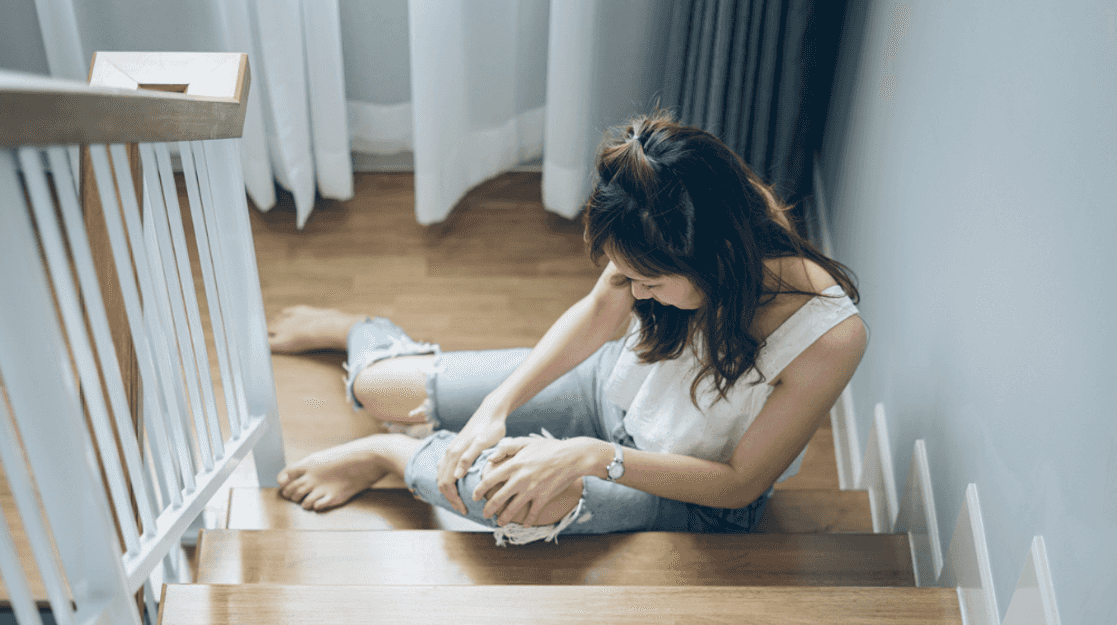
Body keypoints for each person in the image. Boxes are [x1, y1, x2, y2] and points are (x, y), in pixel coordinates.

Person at [269, 112, 866, 545]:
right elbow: (596, 316)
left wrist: (591, 457)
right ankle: (361, 330)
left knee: (513, 501)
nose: (633, 294)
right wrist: (496, 408)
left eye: (649, 285)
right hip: (606, 391)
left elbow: (738, 486)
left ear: (717, 259)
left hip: (685, 490)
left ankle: (389, 453)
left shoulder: (828, 338)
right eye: (625, 276)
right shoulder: (664, 217)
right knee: (381, 389)